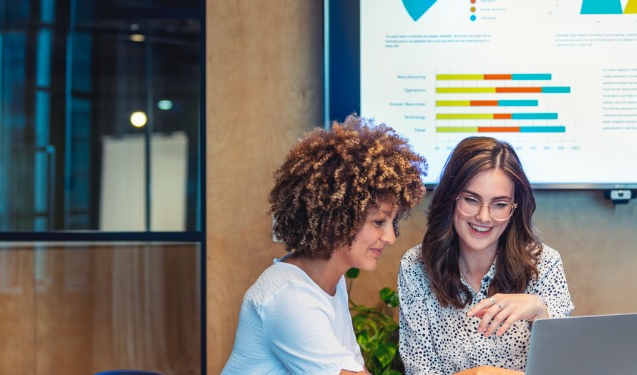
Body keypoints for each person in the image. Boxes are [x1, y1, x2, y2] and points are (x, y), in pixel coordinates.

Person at [222, 114, 427, 375]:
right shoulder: (290, 296)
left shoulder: (329, 281)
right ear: (338, 217)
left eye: (391, 223)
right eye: (378, 222)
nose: (390, 237)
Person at [398, 137, 574, 374]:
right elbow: (420, 370)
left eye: (499, 204)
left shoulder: (545, 264)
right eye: (471, 200)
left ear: (514, 209)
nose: (483, 217)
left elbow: (564, 369)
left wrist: (539, 310)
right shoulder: (416, 266)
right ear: (451, 199)